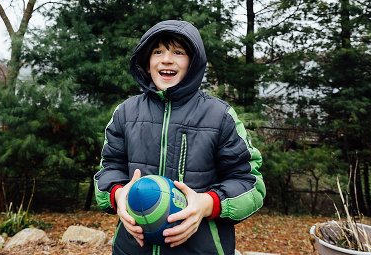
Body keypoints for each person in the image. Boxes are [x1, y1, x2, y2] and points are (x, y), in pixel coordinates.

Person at [93, 20, 265, 254]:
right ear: (147, 60)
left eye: (178, 52)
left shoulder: (220, 116)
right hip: (131, 248)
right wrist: (118, 194)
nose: (166, 59)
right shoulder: (125, 113)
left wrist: (207, 204)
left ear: (193, 63)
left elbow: (251, 185)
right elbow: (108, 171)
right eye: (158, 51)